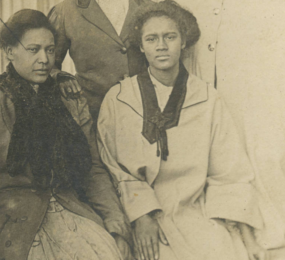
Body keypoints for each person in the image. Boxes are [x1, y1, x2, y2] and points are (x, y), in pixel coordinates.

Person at [0, 9, 132, 260]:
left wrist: (115, 225)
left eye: (50, 50)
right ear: (9, 51)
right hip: (12, 222)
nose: (44, 59)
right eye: (33, 49)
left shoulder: (69, 101)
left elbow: (93, 168)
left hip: (71, 212)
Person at [97, 1, 269, 259]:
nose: (162, 46)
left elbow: (228, 172)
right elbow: (113, 168)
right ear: (141, 46)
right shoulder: (119, 98)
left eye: (170, 37)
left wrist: (247, 238)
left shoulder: (208, 99)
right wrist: (142, 215)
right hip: (138, 211)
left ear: (184, 42)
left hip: (193, 210)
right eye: (152, 39)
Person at [175, 0, 285, 245]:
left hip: (251, 62)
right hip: (207, 52)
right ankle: (225, 211)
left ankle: (269, 216)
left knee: (259, 138)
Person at [48, 0, 151, 120]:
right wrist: (60, 77)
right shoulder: (65, 11)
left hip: (143, 113)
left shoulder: (147, 6)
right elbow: (47, 64)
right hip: (93, 115)